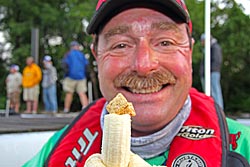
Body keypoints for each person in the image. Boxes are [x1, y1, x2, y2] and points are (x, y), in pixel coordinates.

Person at [23, 0, 250, 166]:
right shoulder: (56, 149)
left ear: (189, 53)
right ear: (96, 56)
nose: (144, 65)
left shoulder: (242, 148)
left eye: (165, 42)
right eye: (120, 45)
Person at [62, 41, 89, 113]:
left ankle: (66, 109)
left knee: (69, 93)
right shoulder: (82, 55)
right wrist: (86, 74)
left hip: (70, 76)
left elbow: (64, 64)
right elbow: (86, 65)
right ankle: (85, 108)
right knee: (82, 93)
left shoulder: (68, 54)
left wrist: (66, 73)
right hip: (81, 76)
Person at [200, 33, 224, 110]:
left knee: (215, 92)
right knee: (210, 92)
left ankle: (219, 110)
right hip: (208, 73)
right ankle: (212, 109)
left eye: (203, 41)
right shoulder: (208, 48)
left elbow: (217, 61)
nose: (202, 43)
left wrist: (209, 71)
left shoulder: (214, 47)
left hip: (212, 73)